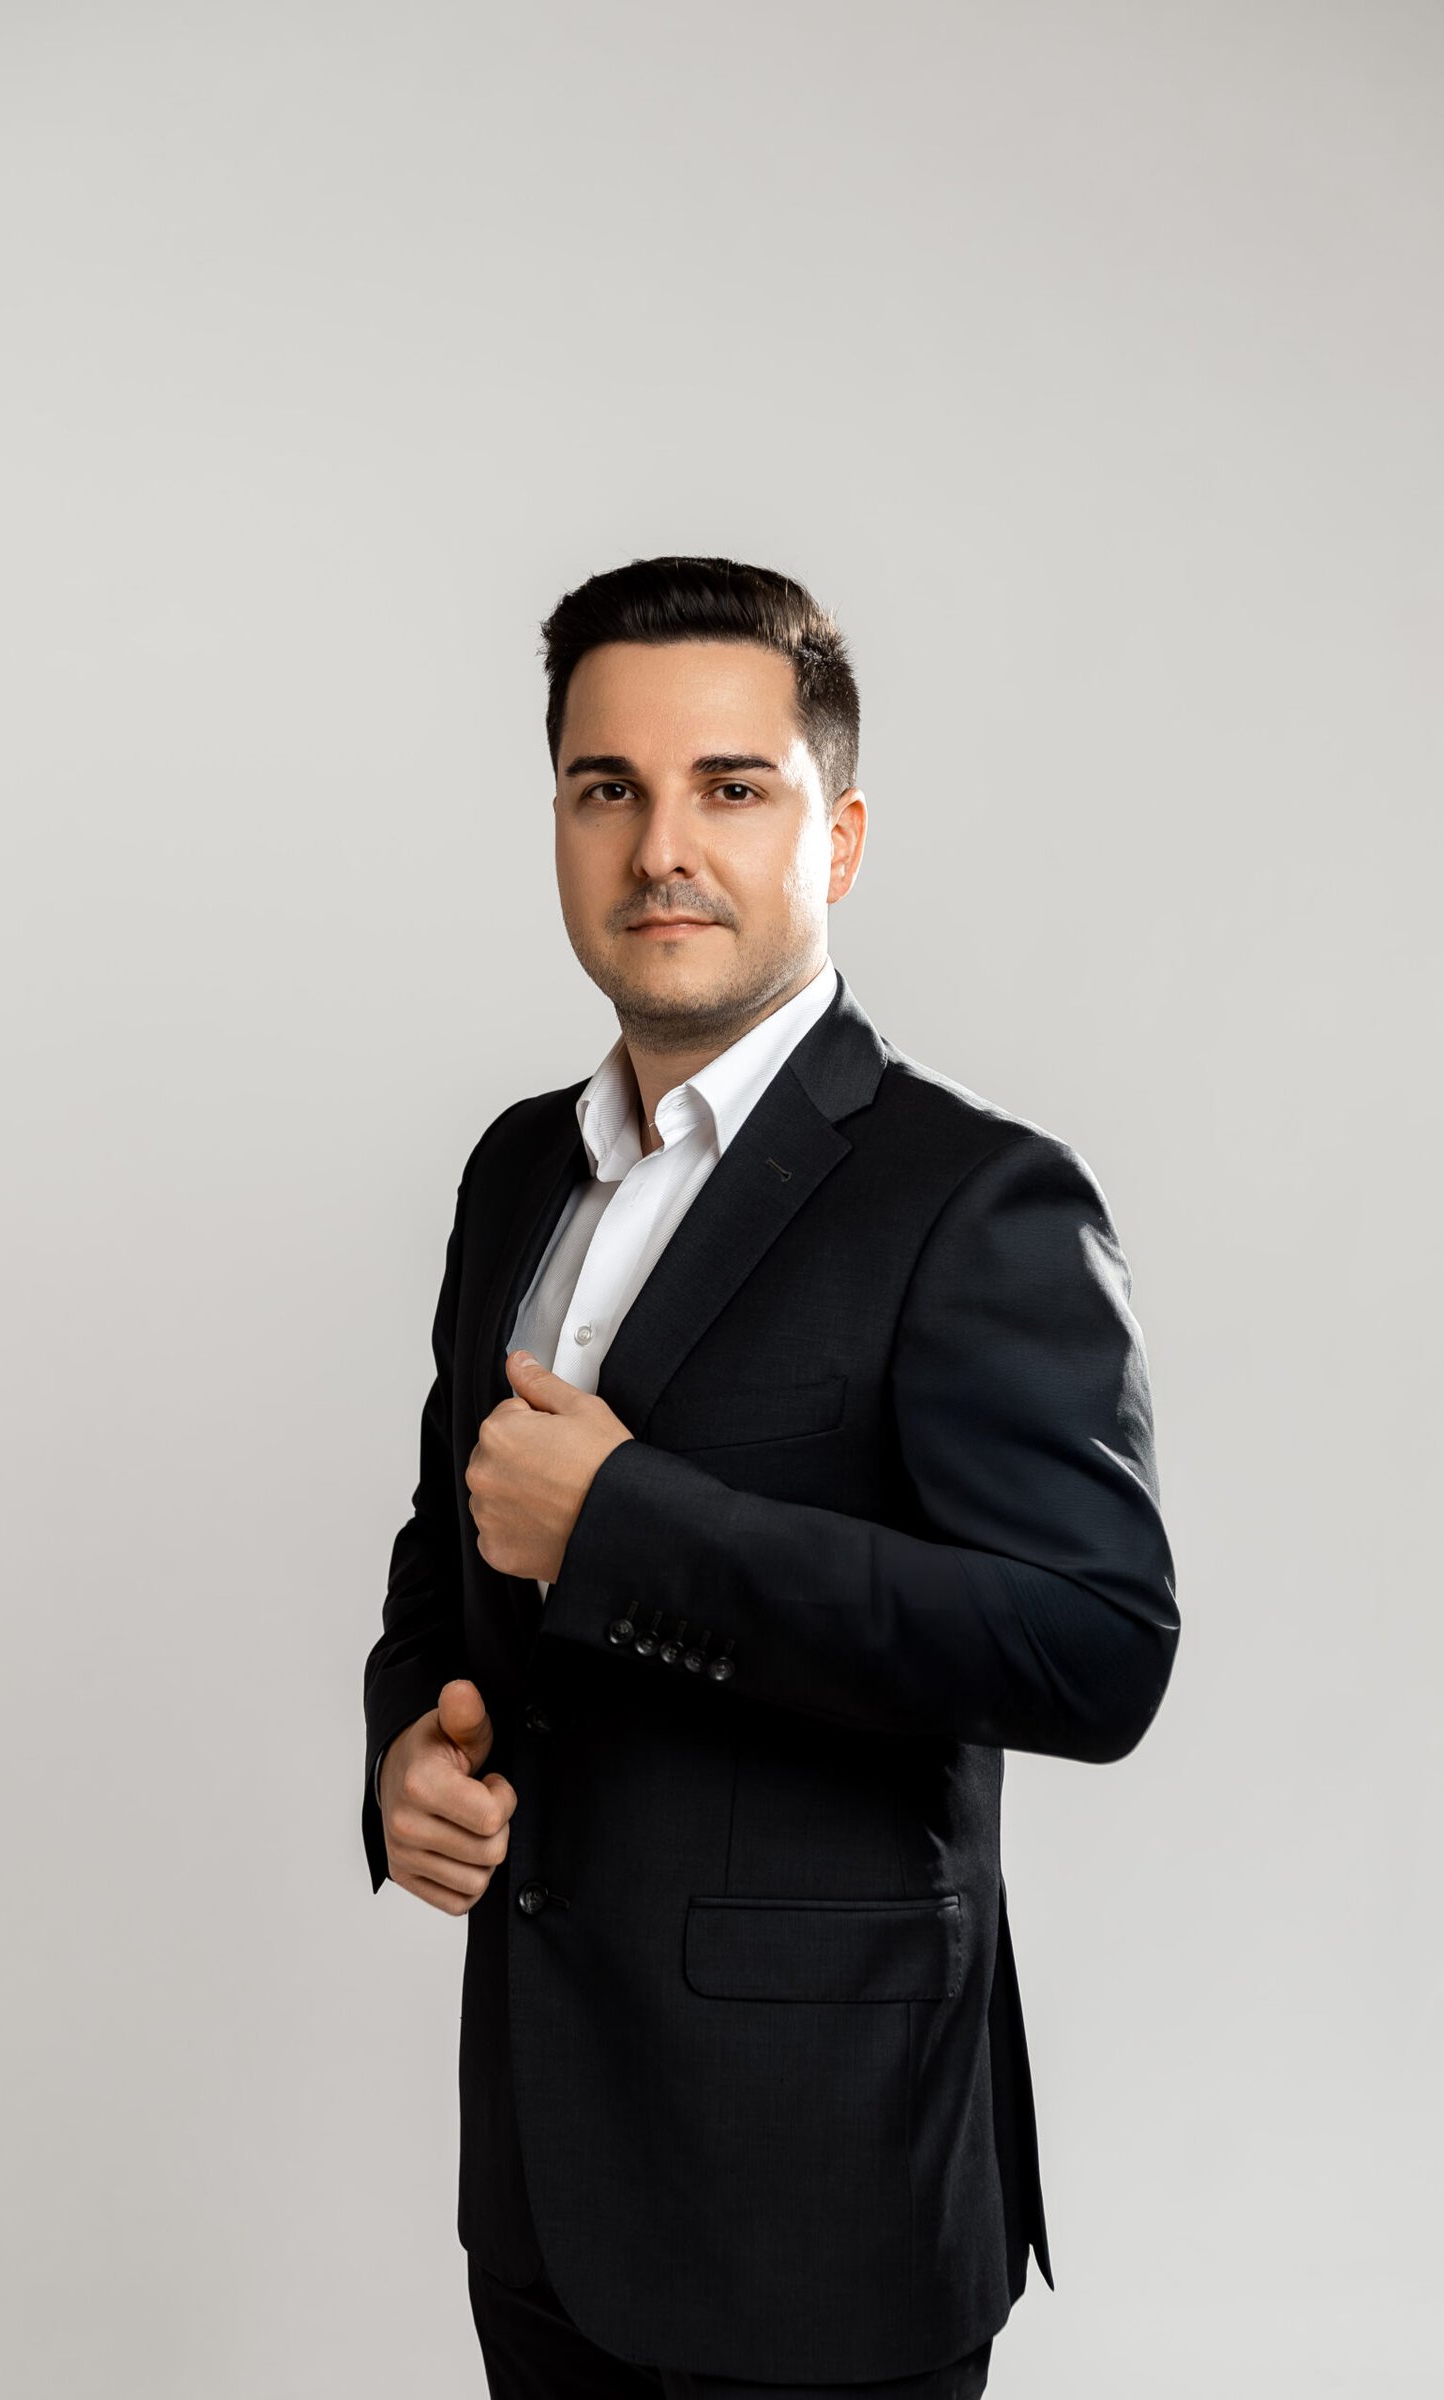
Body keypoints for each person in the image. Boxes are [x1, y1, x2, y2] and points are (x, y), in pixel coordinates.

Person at [361, 555, 1179, 2397]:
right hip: (543, 2185)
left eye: (731, 787)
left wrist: (629, 1527)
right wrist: (407, 1743)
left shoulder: (974, 1197)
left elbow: (1098, 1646)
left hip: (826, 2199)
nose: (662, 848)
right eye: (608, 789)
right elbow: (449, 1531)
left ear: (841, 836)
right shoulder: (516, 1172)